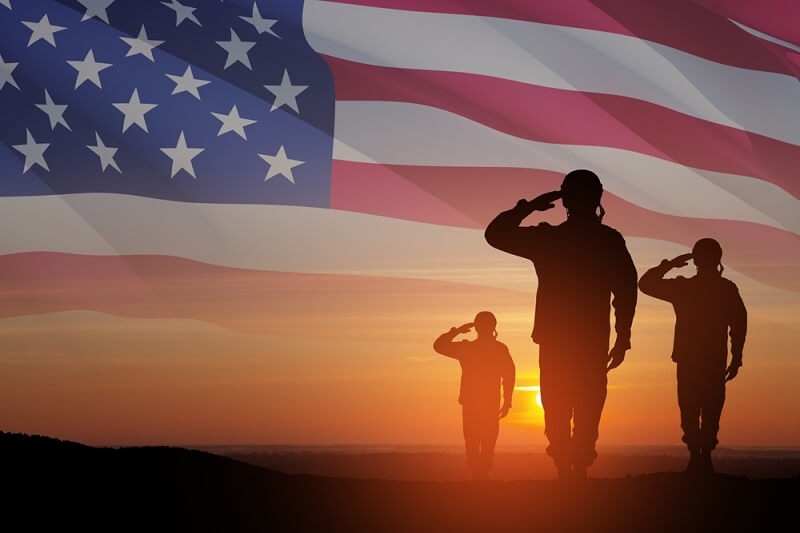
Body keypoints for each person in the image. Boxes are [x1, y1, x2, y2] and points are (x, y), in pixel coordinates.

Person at [484, 169, 638, 481]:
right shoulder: (605, 240)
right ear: (597, 197)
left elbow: (496, 233)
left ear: (565, 199)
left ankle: (569, 466)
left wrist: (529, 206)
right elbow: (626, 289)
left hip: (561, 339)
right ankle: (575, 465)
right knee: (584, 404)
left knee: (560, 403)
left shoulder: (550, 239)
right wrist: (623, 336)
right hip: (587, 339)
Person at [638, 238, 747, 475]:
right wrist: (736, 356)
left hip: (699, 360)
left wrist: (670, 265)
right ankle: (700, 456)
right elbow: (739, 323)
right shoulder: (716, 288)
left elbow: (739, 323)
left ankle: (700, 456)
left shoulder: (690, 288)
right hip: (702, 360)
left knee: (696, 407)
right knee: (703, 408)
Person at [433, 311, 516, 480]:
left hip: (475, 403)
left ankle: (479, 477)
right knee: (485, 442)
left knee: (474, 442)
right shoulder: (498, 349)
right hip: (486, 402)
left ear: (477, 327)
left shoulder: (468, 348)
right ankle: (480, 477)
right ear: (493, 327)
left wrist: (457, 331)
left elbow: (439, 345)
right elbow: (510, 374)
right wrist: (507, 399)